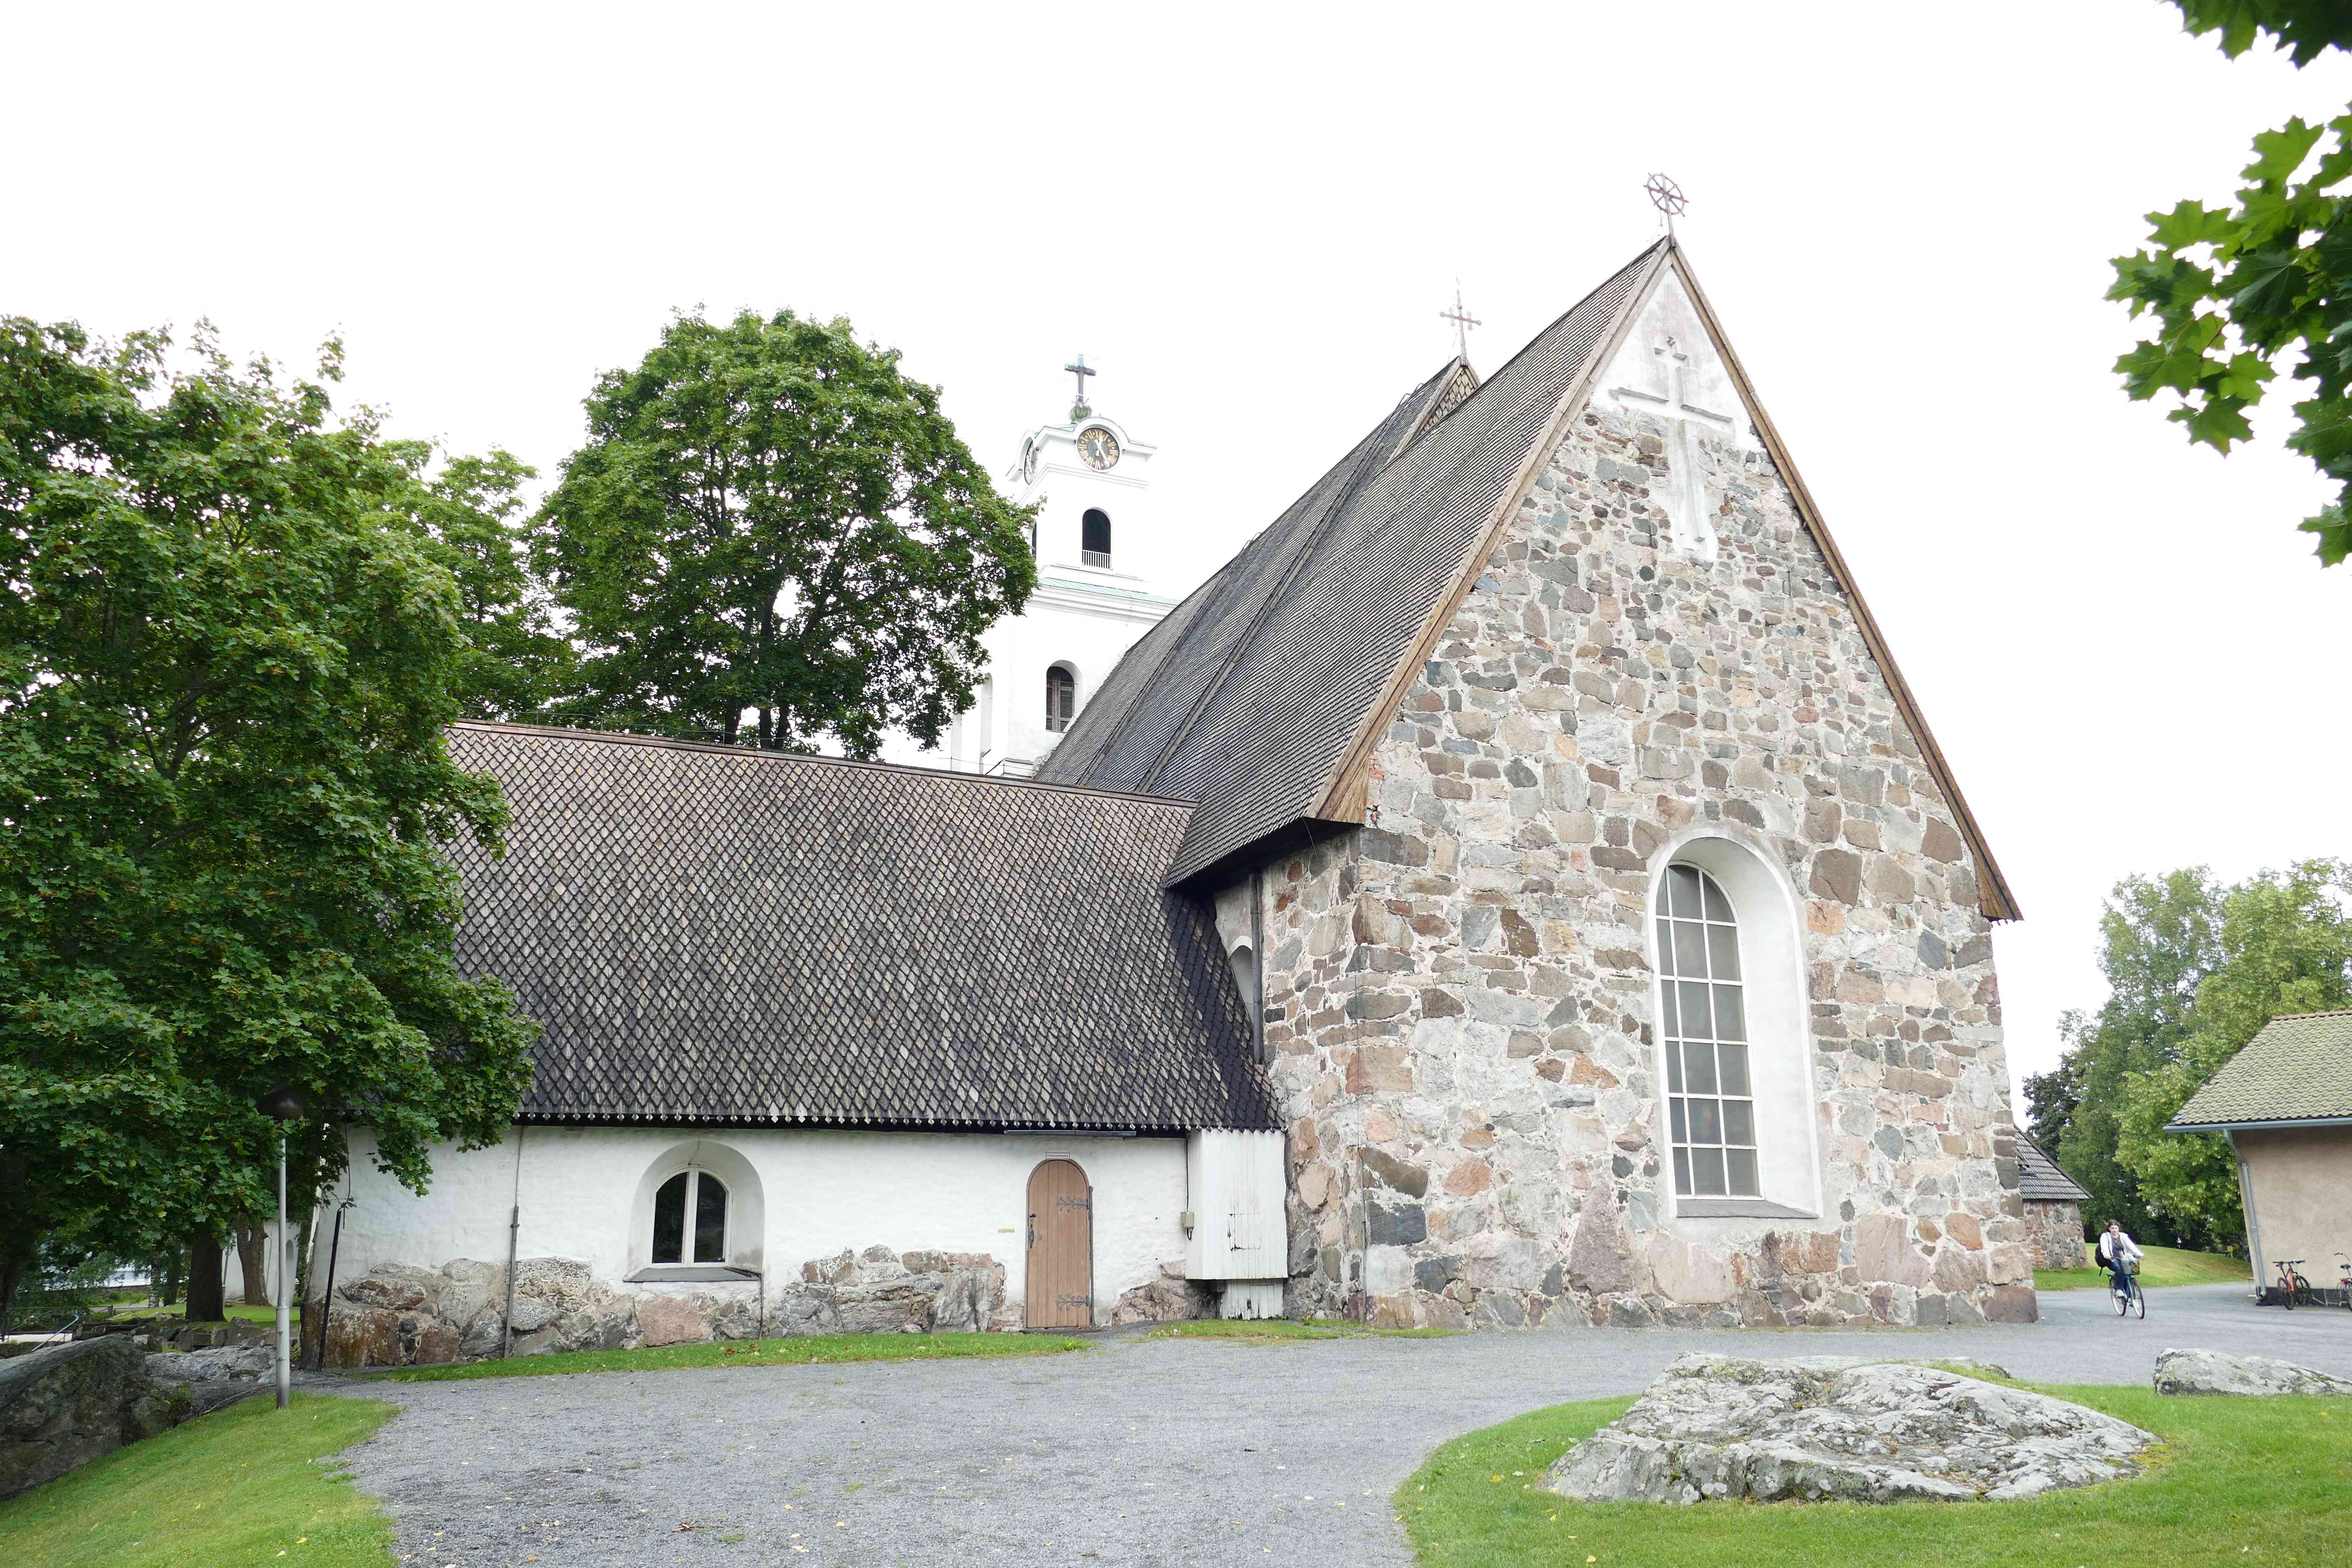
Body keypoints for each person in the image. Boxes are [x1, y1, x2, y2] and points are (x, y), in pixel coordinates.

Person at [2096, 1220, 2142, 1300]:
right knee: (2119, 1269)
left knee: (2129, 1272)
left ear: (2119, 1228)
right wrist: (2107, 1255)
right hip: (2111, 1259)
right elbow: (2104, 1247)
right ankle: (2118, 1289)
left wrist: (2139, 1254)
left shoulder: (2123, 1236)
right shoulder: (2105, 1236)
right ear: (2109, 1228)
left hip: (2124, 1258)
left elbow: (2131, 1246)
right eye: (2113, 1228)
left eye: (2116, 1228)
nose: (2115, 1230)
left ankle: (2131, 1297)